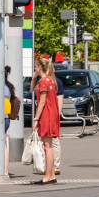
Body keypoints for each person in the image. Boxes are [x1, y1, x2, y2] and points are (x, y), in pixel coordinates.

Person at [32, 56, 60, 185]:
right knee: (49, 146)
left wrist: (36, 119)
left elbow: (42, 102)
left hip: (46, 115)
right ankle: (52, 174)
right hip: (52, 114)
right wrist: (33, 77)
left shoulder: (43, 81)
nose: (35, 69)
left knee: (47, 146)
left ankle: (47, 176)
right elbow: (32, 89)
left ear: (39, 67)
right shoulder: (49, 80)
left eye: (35, 67)